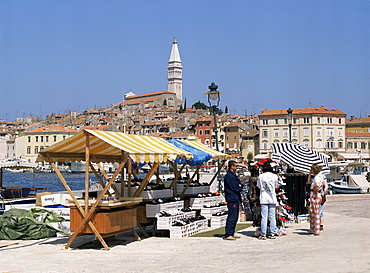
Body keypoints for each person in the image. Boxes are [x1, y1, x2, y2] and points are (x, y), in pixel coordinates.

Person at [256, 161, 279, 240]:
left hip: (264, 197)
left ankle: (263, 233)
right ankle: (272, 232)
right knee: (272, 216)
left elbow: (258, 186)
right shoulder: (274, 176)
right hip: (272, 197)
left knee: (264, 216)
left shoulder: (261, 176)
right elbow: (276, 186)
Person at [223, 160, 244, 240]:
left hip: (235, 197)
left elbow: (239, 184)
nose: (237, 167)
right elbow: (236, 188)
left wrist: (240, 186)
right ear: (231, 166)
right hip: (232, 198)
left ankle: (232, 232)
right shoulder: (229, 176)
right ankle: (228, 234)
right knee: (232, 216)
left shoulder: (233, 175)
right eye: (235, 166)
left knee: (235, 216)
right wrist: (240, 186)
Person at [307, 164, 326, 236]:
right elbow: (309, 182)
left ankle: (315, 230)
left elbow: (317, 184)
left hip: (315, 193)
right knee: (314, 211)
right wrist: (309, 175)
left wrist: (314, 189)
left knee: (314, 212)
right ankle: (314, 229)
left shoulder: (317, 177)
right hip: (317, 194)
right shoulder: (319, 176)